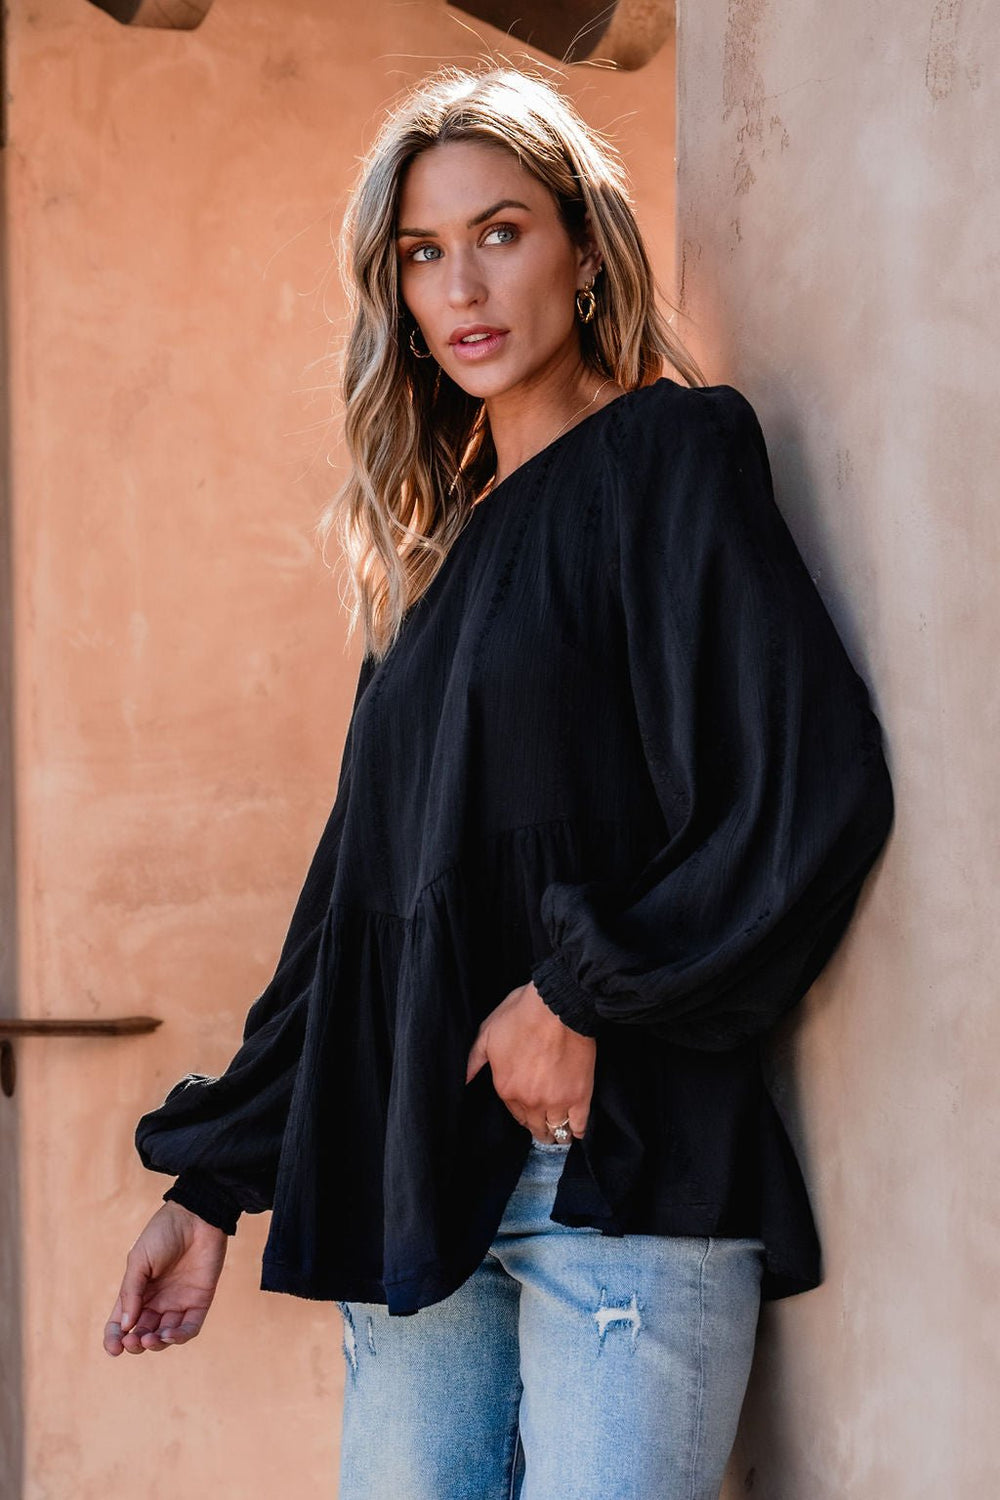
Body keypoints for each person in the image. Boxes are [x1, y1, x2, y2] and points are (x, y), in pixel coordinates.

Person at [103, 62, 894, 1500]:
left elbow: (808, 784)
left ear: (585, 250)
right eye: (422, 252)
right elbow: (352, 914)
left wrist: (584, 994)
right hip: (417, 1193)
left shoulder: (669, 457)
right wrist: (210, 1182)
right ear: (393, 290)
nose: (462, 284)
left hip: (610, 1179)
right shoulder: (426, 573)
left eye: (502, 231)